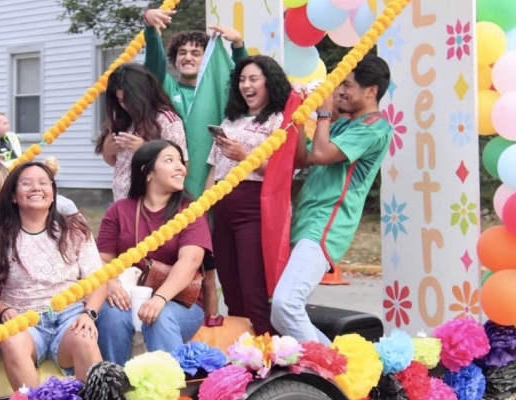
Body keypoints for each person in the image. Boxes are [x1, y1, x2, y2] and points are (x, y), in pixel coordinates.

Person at [271, 54, 393, 344]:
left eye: (346, 86)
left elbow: (324, 154)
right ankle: (333, 370)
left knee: (285, 305)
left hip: (325, 227)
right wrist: (300, 117)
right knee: (281, 313)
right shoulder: (342, 125)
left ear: (371, 91)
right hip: (306, 223)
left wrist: (323, 114)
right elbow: (303, 157)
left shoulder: (375, 127)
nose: (339, 92)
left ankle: (337, 373)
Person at [142, 10, 249, 325]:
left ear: (206, 58)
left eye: (196, 52)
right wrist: (149, 27)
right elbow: (152, 64)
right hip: (170, 189)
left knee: (211, 264)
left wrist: (239, 46)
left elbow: (246, 78)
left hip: (210, 187)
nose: (188, 57)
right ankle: (171, 319)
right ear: (173, 60)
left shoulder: (219, 91)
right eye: (182, 53)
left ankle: (212, 324)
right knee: (171, 258)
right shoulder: (163, 88)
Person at [96, 140, 212, 365]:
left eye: (180, 161)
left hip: (180, 303)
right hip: (130, 295)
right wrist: (110, 284)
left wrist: (159, 299)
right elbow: (102, 259)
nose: (180, 166)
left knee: (161, 316)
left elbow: (190, 261)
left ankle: (169, 389)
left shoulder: (191, 210)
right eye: (170, 160)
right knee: (111, 314)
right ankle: (113, 384)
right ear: (147, 172)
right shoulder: (119, 210)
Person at [0, 161, 105, 386]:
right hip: (25, 319)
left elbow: (98, 281)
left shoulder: (75, 231)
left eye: (44, 183)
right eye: (26, 183)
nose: (36, 188)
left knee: (85, 338)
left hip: (70, 316)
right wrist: (3, 309)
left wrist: (88, 314)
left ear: (53, 194)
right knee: (10, 339)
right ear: (13, 196)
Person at [205, 56, 293, 335]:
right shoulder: (230, 120)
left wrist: (245, 156)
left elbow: (282, 173)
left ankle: (270, 352)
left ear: (270, 82)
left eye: (253, 79)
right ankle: (242, 352)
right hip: (221, 207)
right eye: (242, 80)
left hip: (253, 209)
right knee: (230, 288)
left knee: (254, 287)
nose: (246, 85)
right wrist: (203, 206)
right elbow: (214, 168)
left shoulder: (280, 121)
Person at [94, 63, 188, 201]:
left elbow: (182, 166)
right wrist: (108, 151)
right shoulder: (123, 119)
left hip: (152, 205)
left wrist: (145, 149)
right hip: (121, 202)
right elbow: (118, 163)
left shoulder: (166, 120)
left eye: (129, 101)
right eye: (120, 101)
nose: (125, 106)